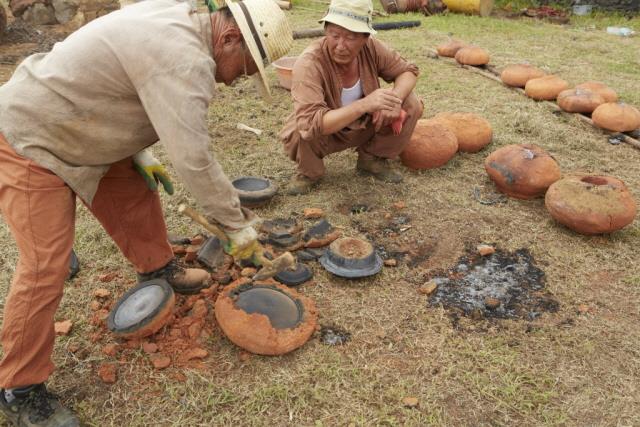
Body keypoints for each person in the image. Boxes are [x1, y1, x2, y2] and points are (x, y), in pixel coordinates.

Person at [0, 0, 292, 425]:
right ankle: (18, 388)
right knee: (46, 265)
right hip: (30, 135)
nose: (234, 82)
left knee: (135, 188)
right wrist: (238, 228)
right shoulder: (185, 57)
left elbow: (120, 79)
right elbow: (194, 159)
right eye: (244, 69)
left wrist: (142, 149)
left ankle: (157, 271)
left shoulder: (181, 23)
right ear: (229, 40)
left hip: (79, 123)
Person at [279, 0, 423, 195]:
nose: (340, 45)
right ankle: (309, 172)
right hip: (324, 134)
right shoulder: (309, 63)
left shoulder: (371, 48)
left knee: (410, 103)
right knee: (299, 127)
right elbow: (311, 122)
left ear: (365, 38)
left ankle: (371, 159)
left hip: (365, 124)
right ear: (325, 31)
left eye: (350, 37)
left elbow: (408, 71)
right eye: (334, 35)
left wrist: (393, 99)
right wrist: (364, 104)